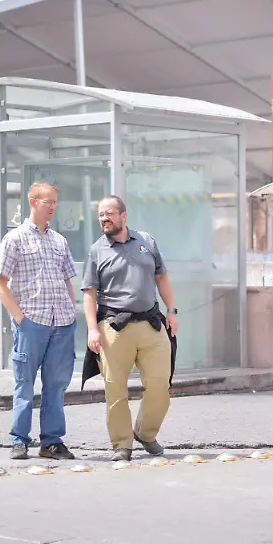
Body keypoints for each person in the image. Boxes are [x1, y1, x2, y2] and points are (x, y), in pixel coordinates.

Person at [82, 196, 177, 462]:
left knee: (161, 383)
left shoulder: (147, 241)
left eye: (109, 214)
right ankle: (121, 444)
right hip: (114, 326)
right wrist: (92, 329)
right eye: (100, 215)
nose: (104, 219)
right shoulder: (96, 250)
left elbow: (161, 278)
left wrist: (172, 310)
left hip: (151, 322)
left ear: (124, 216)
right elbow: (89, 293)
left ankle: (145, 433)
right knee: (115, 390)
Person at [0, 182, 79, 462]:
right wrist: (20, 317)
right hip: (32, 322)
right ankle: (19, 440)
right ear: (32, 201)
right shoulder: (15, 239)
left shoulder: (59, 241)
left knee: (56, 384)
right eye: (48, 202)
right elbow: (0, 283)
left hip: (62, 322)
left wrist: (71, 309)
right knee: (24, 383)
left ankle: (52, 442)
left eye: (55, 202)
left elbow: (67, 279)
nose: (53, 207)